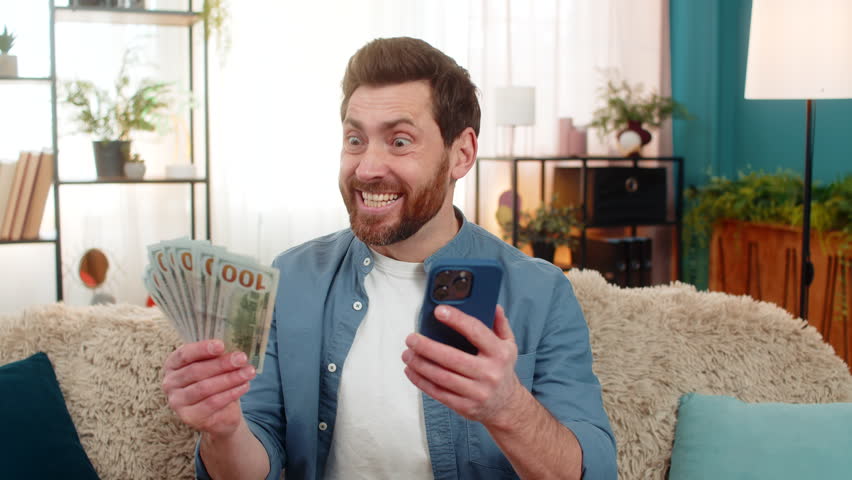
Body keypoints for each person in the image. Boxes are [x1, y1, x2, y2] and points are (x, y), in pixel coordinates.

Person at [162, 37, 617, 480]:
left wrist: (507, 408)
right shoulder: (290, 278)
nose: (367, 168)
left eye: (400, 142)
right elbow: (249, 465)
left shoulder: (541, 291)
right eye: (355, 139)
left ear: (462, 154)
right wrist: (224, 430)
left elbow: (592, 471)